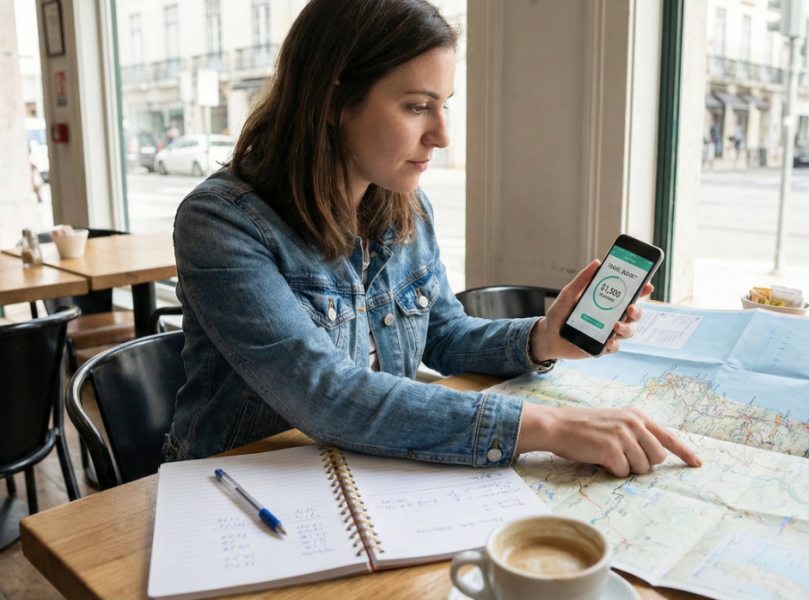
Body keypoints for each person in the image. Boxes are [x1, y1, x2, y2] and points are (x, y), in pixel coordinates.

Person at [167, 0, 701, 478]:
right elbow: (324, 394)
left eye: (443, 104)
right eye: (418, 107)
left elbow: (442, 335)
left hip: (362, 469)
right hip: (239, 484)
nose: (442, 135)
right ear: (333, 102)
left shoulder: (404, 202)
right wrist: (549, 427)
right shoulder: (221, 222)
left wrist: (542, 338)